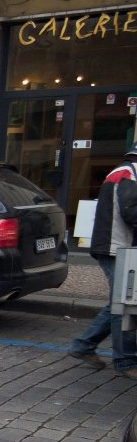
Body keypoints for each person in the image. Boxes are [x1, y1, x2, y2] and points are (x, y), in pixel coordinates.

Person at [68, 145, 137, 378]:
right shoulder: (130, 173)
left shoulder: (125, 171)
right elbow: (131, 212)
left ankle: (84, 346)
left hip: (115, 246)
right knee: (123, 304)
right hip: (116, 247)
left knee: (119, 303)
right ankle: (126, 361)